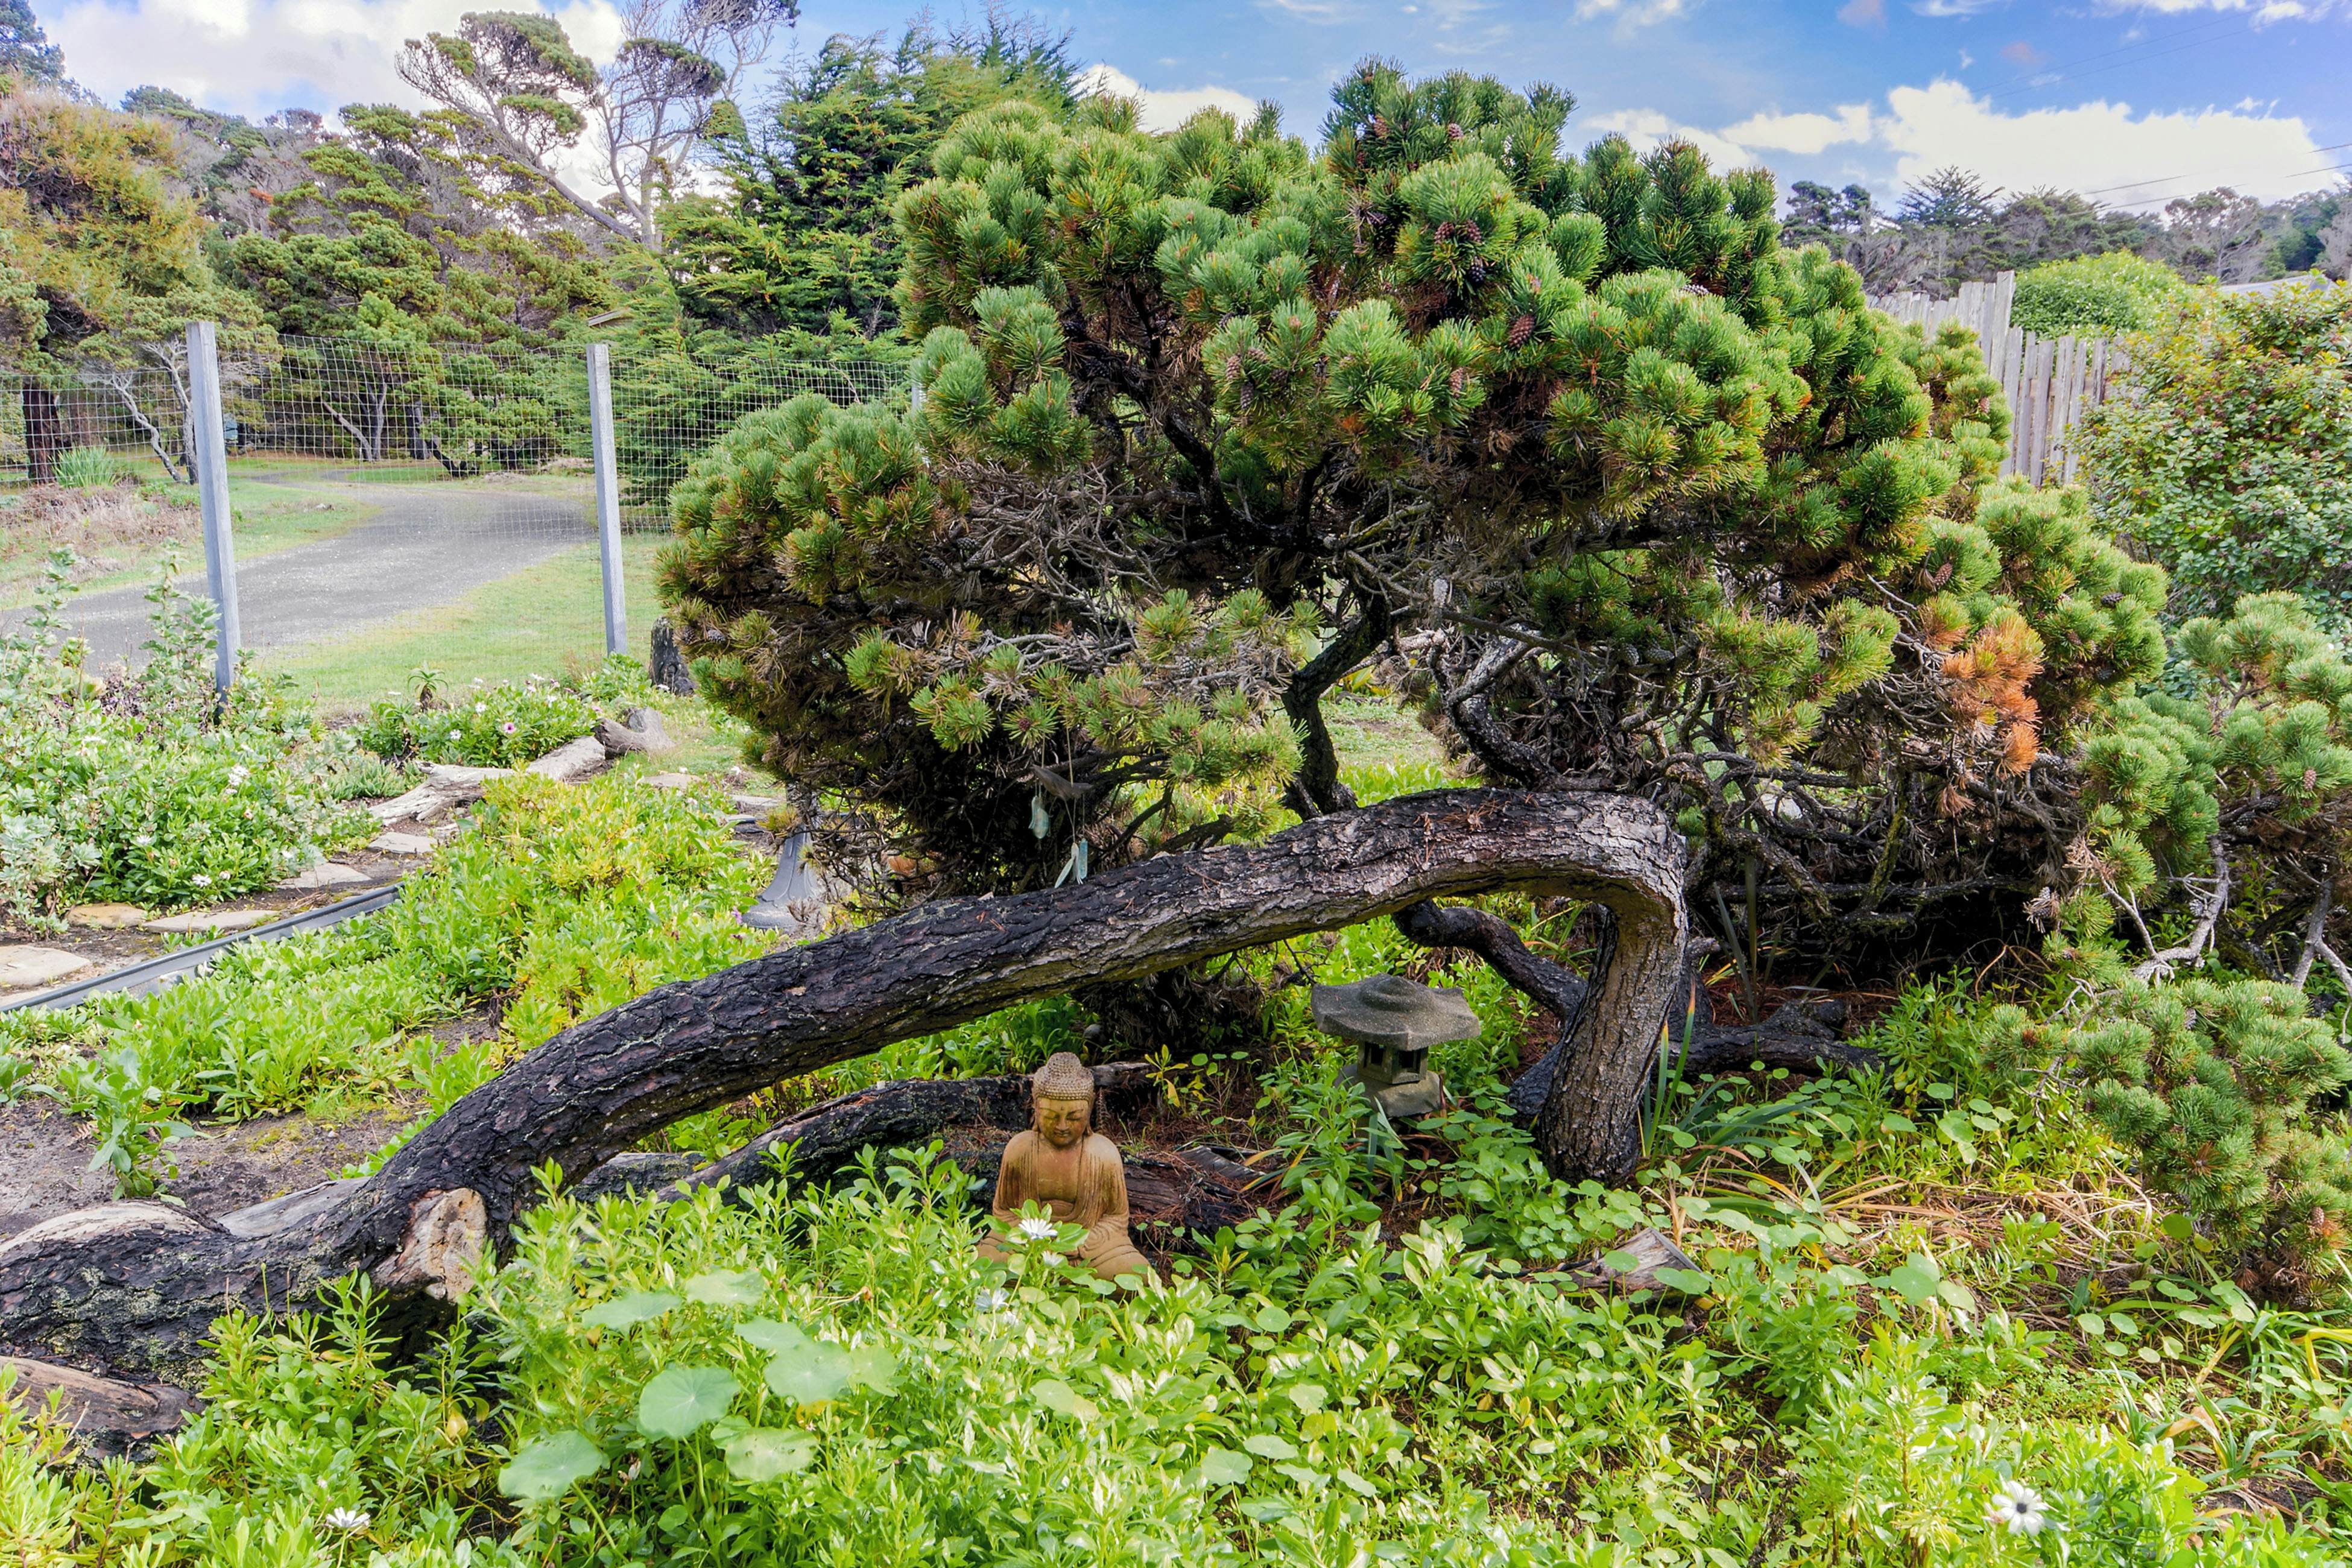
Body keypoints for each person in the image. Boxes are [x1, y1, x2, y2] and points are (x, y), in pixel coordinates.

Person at [979, 1052, 1152, 1282]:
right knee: (983, 1263)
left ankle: (1043, 1279)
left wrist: (1080, 1243)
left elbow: (1116, 1218)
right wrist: (1033, 1240)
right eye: (1051, 1116)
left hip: (1089, 1251)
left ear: (1089, 1110)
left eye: (1073, 1118)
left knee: (1138, 1275)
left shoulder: (1104, 1153)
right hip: (1028, 1246)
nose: (1061, 1126)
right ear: (1036, 1107)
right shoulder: (1019, 1149)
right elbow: (1003, 1212)